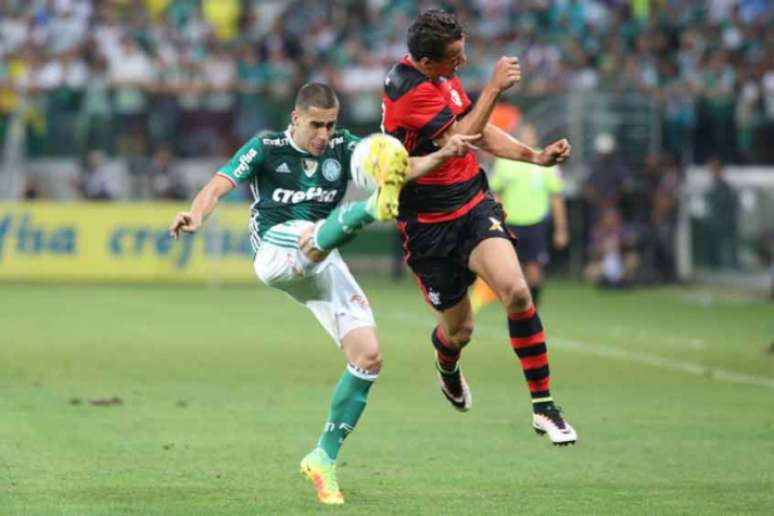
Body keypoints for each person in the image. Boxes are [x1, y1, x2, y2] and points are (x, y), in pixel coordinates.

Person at [169, 82, 475, 505]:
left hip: (322, 255)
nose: (323, 134)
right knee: (310, 236)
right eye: (316, 124)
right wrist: (196, 215)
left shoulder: (344, 147)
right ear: (296, 118)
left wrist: (441, 155)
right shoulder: (266, 147)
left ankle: (322, 458)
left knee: (368, 357)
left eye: (330, 125)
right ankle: (370, 210)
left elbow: (396, 168)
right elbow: (219, 184)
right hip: (276, 249)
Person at [382, 10, 577, 444]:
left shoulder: (439, 74)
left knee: (517, 290)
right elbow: (459, 142)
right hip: (427, 224)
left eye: (463, 53)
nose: (463, 64)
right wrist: (494, 87)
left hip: (471, 203)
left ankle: (544, 407)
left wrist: (534, 156)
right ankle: (447, 365)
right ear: (427, 63)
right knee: (460, 330)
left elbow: (479, 129)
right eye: (455, 58)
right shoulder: (408, 91)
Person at [469, 122, 569, 312]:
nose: (527, 138)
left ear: (535, 137)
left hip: (536, 223)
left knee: (534, 270)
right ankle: (513, 306)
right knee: (508, 270)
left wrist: (561, 228)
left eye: (530, 134)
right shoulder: (506, 162)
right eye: (523, 134)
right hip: (510, 222)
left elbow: (556, 197)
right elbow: (496, 193)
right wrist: (495, 221)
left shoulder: (546, 161)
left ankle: (533, 308)